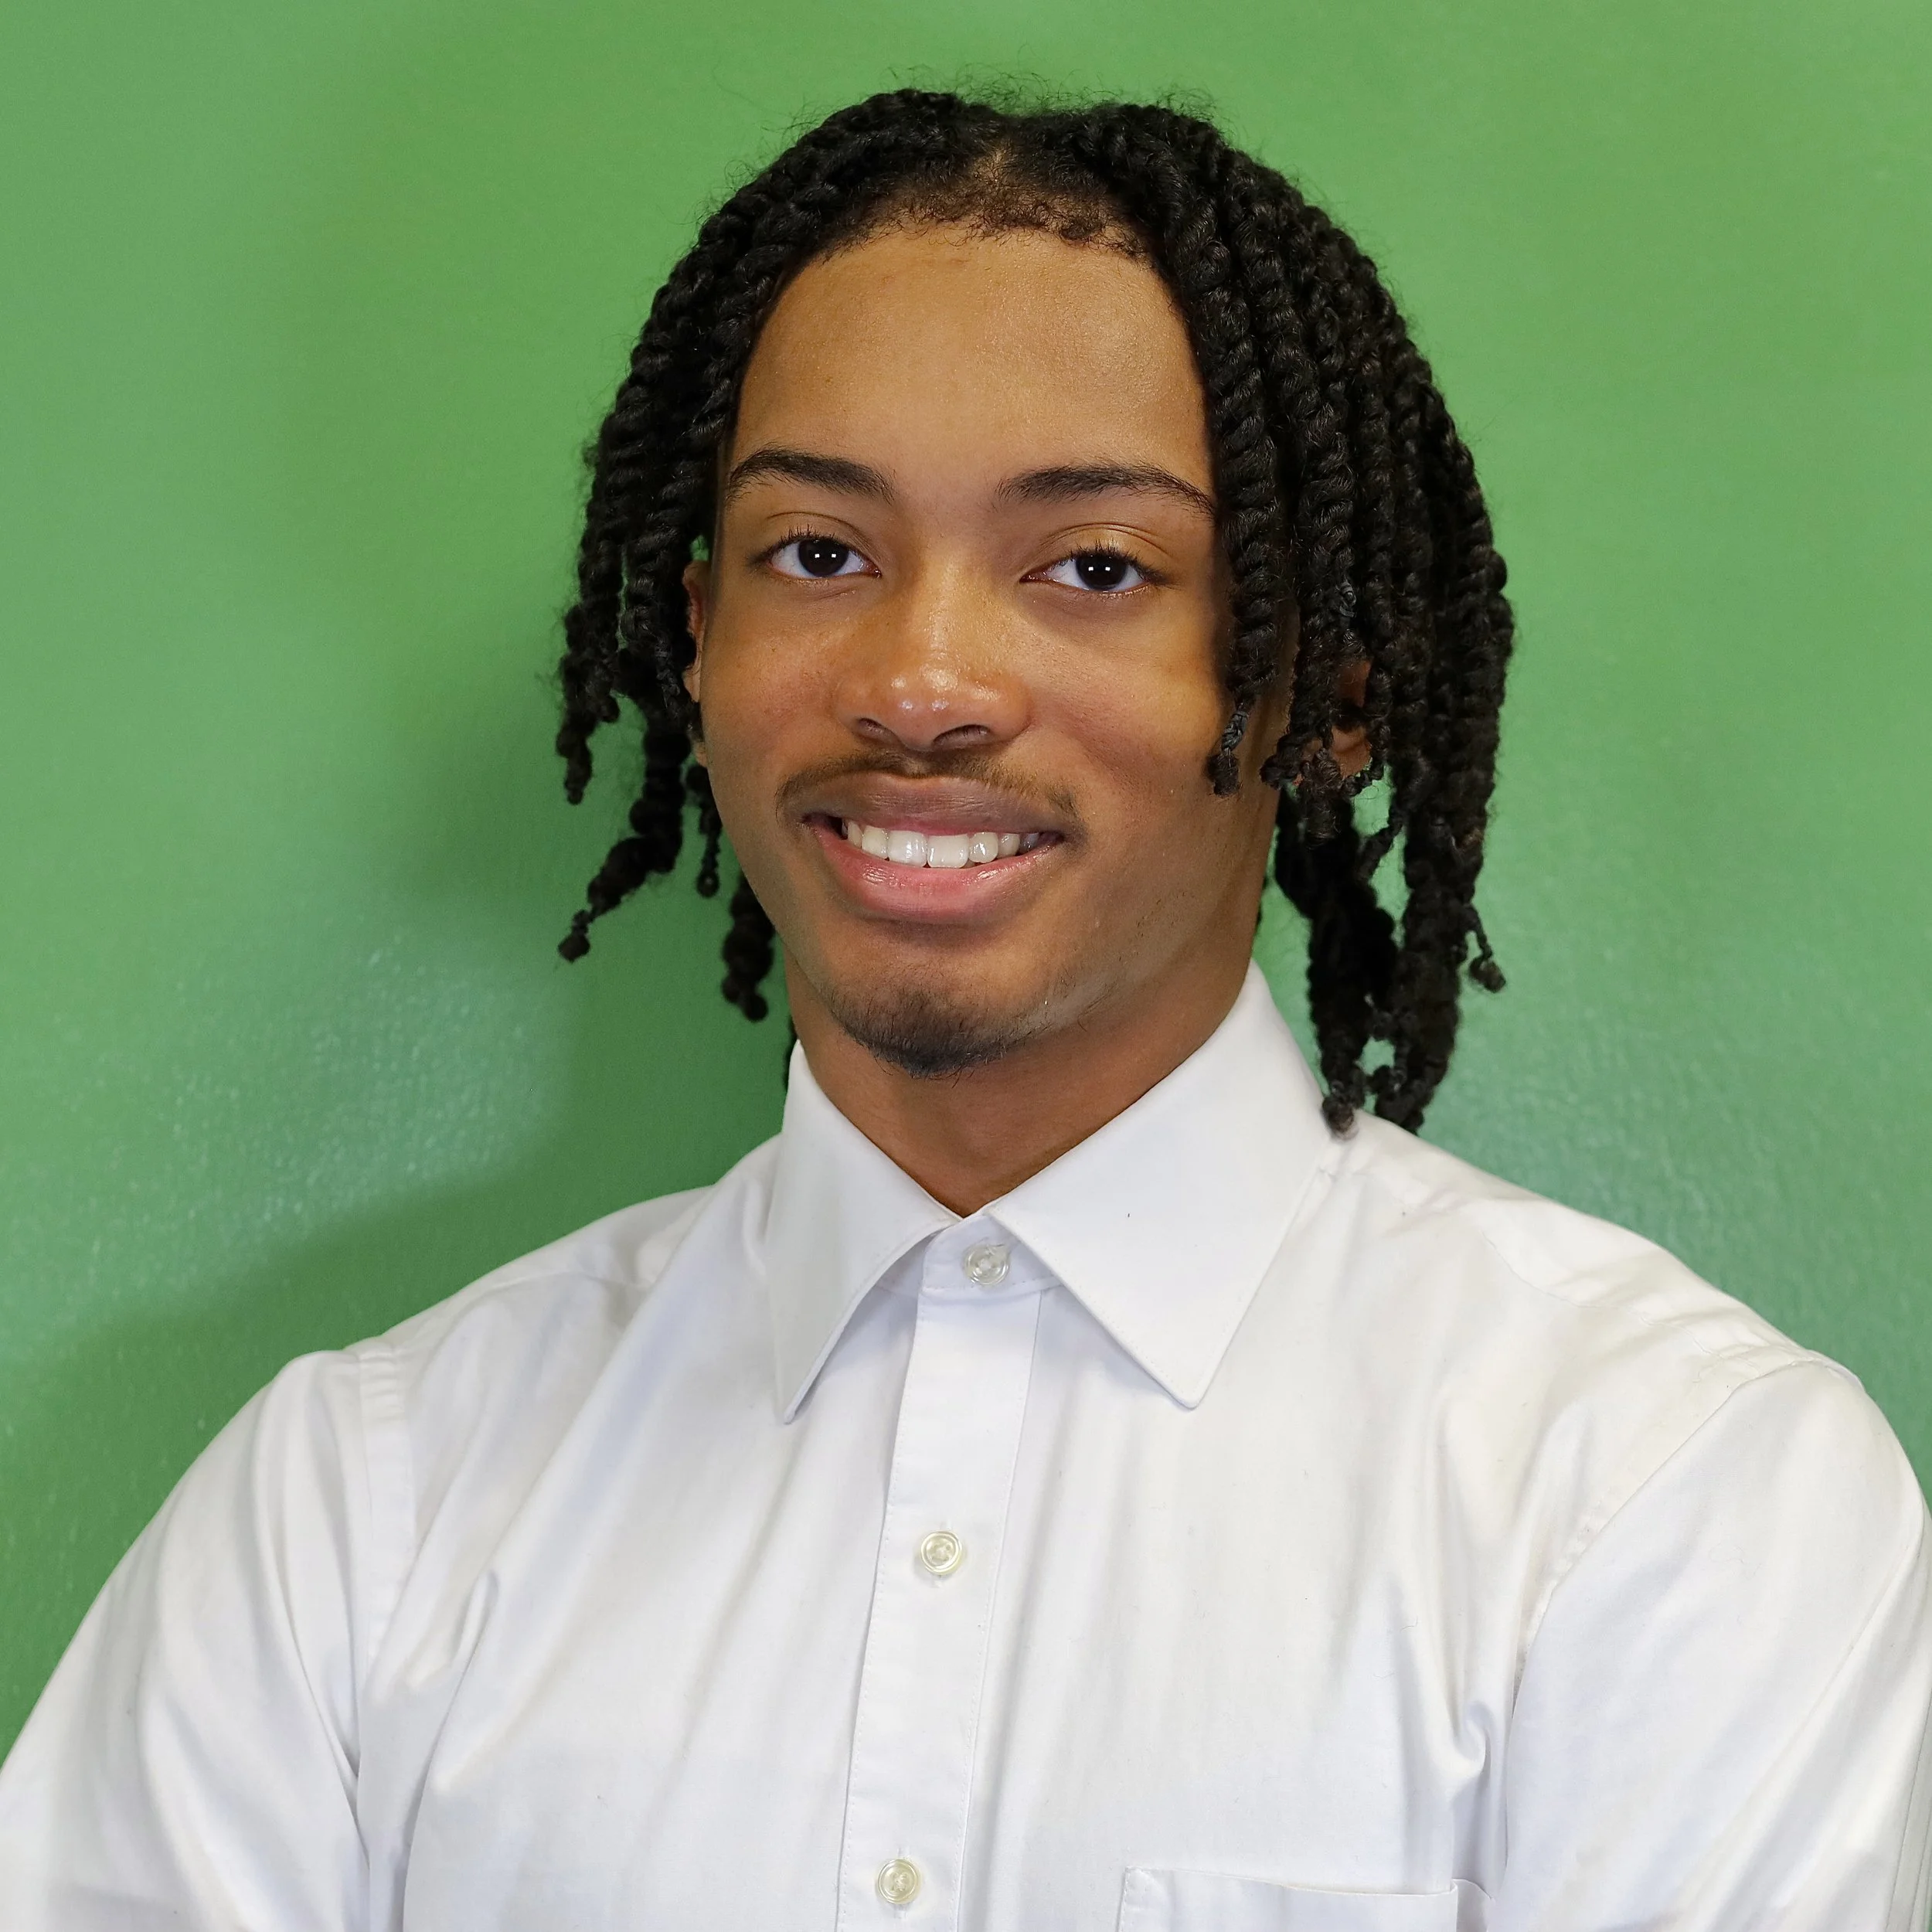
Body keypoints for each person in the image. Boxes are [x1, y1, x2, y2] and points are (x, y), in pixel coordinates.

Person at [1, 89, 1927, 1932]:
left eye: (1093, 565)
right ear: (698, 644)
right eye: (817, 555)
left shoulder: (1665, 1495)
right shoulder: (353, 1509)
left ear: (1326, 692)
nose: (917, 681)